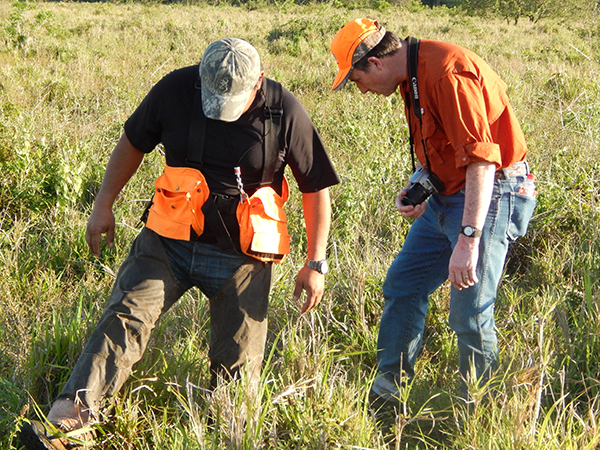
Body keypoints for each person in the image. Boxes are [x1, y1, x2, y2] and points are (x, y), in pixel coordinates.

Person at [19, 37, 339, 449]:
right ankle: (68, 427)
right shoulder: (174, 89)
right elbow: (132, 144)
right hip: (169, 239)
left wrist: (316, 263)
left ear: (259, 81)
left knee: (237, 367)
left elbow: (315, 188)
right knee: (123, 320)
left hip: (243, 256)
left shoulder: (285, 111)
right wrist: (103, 204)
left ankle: (232, 437)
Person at [330, 19, 536, 413]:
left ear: (374, 63)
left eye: (355, 80)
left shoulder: (445, 72)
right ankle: (390, 392)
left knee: (469, 310)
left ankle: (475, 412)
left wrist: (468, 239)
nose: (360, 91)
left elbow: (481, 162)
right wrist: (421, 183)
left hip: (491, 193)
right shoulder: (412, 75)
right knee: (403, 284)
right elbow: (443, 146)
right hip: (451, 193)